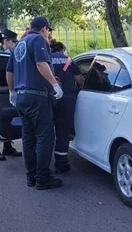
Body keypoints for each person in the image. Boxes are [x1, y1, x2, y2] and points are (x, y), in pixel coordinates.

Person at [6, 16, 64, 190]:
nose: (49, 34)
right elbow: (41, 63)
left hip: (22, 97)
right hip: (37, 96)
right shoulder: (38, 39)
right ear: (44, 28)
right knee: (46, 137)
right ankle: (42, 178)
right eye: (48, 30)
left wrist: (12, 91)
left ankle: (31, 176)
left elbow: (9, 71)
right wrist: (55, 84)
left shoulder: (20, 44)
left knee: (29, 138)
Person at [0, 28, 23, 161]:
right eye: (12, 41)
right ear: (5, 40)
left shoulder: (14, 52)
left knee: (8, 118)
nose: (14, 44)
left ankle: (7, 146)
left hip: (10, 89)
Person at [50, 41, 85, 173]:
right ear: (63, 50)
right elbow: (80, 80)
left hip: (49, 99)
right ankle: (61, 163)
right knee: (63, 132)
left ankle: (43, 162)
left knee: (46, 132)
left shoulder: (46, 60)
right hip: (66, 100)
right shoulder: (69, 61)